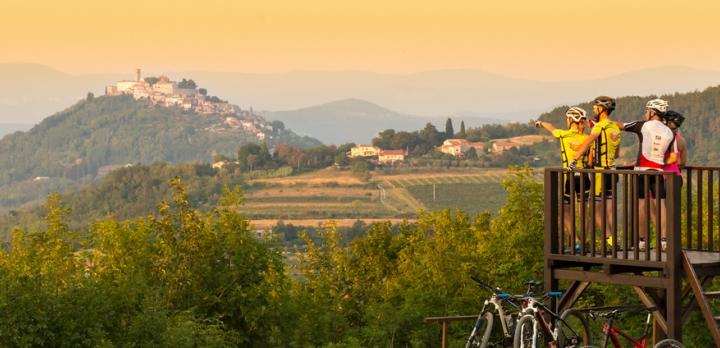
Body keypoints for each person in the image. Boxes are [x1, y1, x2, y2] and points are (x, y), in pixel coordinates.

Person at [619, 98, 676, 251]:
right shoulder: (669, 131)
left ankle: (642, 241)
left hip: (642, 171)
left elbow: (620, 126)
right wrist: (661, 162)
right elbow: (674, 157)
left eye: (646, 111)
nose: (645, 114)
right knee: (661, 205)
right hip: (658, 172)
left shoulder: (643, 125)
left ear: (652, 112)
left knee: (642, 205)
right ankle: (664, 241)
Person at [568, 96, 622, 247]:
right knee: (609, 210)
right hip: (613, 171)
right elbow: (617, 154)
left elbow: (588, 141)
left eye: (594, 108)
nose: (593, 110)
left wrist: (575, 159)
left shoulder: (600, 126)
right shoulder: (615, 127)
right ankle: (612, 241)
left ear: (601, 109)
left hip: (600, 172)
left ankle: (610, 239)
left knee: (593, 207)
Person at [535, 107, 590, 250]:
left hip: (570, 178)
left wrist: (540, 123)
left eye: (567, 119)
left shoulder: (563, 135)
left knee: (565, 211)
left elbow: (551, 127)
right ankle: (583, 242)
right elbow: (591, 161)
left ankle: (577, 240)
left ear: (571, 120)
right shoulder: (586, 138)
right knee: (584, 212)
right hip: (585, 177)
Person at [662, 110, 687, 181]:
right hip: (677, 175)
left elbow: (672, 158)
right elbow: (683, 162)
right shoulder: (681, 140)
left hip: (662, 177)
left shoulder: (663, 138)